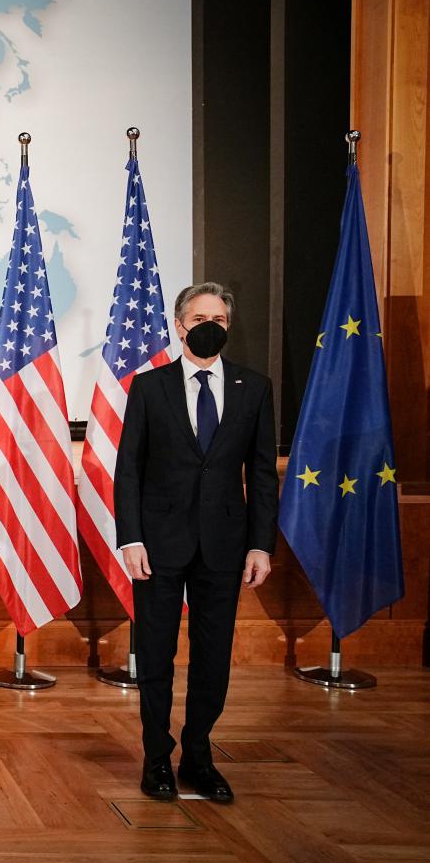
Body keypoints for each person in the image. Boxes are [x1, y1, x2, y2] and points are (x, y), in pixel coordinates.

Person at [115, 282, 278, 803]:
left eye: (221, 318)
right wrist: (131, 537)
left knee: (214, 657)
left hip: (225, 546)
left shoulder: (254, 388)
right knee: (157, 655)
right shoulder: (149, 387)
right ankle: (157, 758)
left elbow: (261, 473)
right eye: (200, 316)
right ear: (180, 325)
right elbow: (128, 471)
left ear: (228, 327)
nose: (211, 324)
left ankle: (199, 755)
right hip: (158, 545)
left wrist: (261, 545)